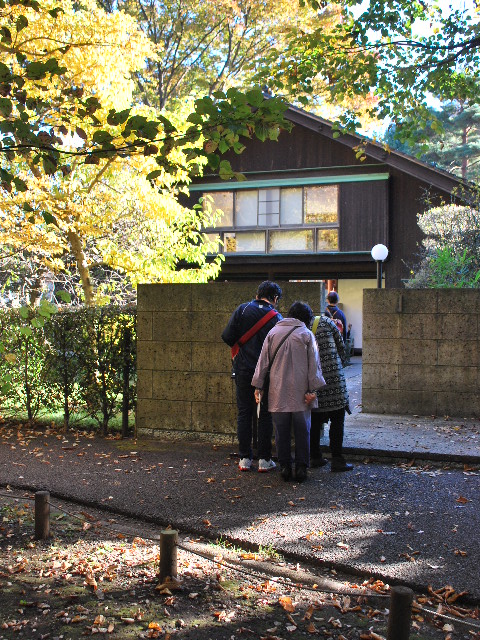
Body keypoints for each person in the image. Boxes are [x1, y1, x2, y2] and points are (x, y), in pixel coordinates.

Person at [252, 301, 325, 483]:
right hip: (302, 393)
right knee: (303, 431)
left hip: (278, 392)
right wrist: (313, 389)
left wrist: (258, 386)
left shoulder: (273, 333)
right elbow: (313, 366)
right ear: (306, 318)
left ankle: (285, 466)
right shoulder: (307, 335)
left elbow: (262, 363)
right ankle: (301, 467)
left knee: (281, 431)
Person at [222, 281, 283, 472]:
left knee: (244, 413)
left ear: (257, 294)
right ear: (274, 299)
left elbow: (227, 337)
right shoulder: (276, 317)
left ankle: (244, 459)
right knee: (264, 414)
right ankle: (264, 460)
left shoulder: (242, 309)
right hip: (265, 373)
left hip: (242, 369)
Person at [310, 313, 353, 472]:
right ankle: (337, 459)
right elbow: (341, 347)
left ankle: (315, 456)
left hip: (313, 381)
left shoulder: (299, 328)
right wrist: (338, 363)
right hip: (334, 380)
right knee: (337, 420)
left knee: (314, 421)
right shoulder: (326, 322)